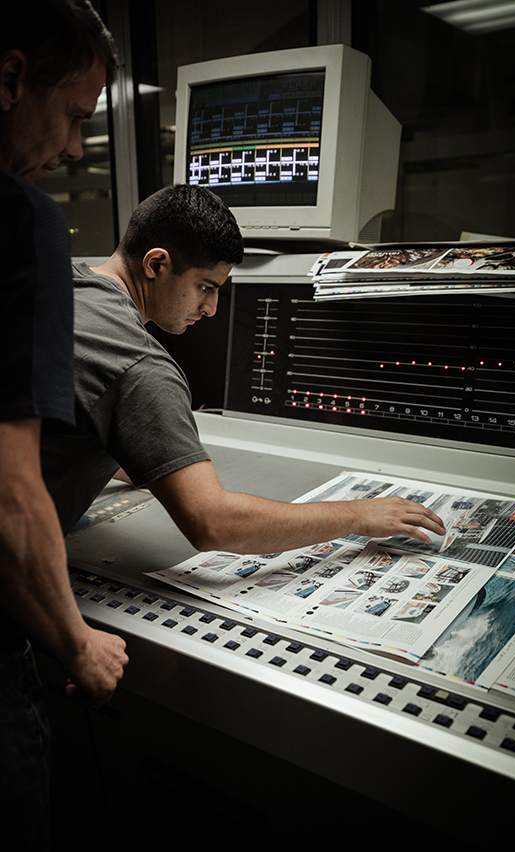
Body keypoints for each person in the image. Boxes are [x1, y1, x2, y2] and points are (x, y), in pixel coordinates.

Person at [41, 183, 446, 557]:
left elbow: (69, 417)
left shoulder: (59, 285)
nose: (211, 308)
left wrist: (159, 462)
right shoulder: (140, 366)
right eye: (205, 286)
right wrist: (358, 515)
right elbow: (213, 524)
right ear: (155, 263)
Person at [0, 3, 128, 848]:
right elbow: (10, 489)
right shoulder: (21, 222)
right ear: (10, 80)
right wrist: (75, 642)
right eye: (77, 116)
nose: (78, 149)